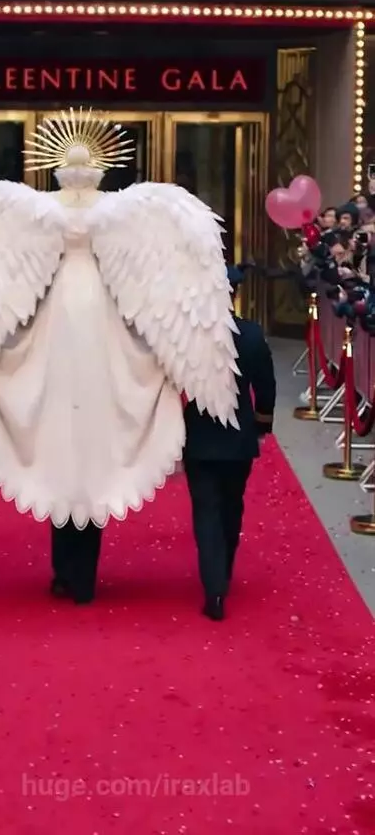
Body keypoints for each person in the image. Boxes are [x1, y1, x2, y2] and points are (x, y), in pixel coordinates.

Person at [0, 107, 239, 602]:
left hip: (57, 311)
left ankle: (69, 570)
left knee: (59, 432)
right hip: (99, 310)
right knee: (90, 436)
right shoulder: (143, 211)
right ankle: (79, 571)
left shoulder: (15, 210)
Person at [183, 266, 276, 621]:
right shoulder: (251, 334)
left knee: (205, 510)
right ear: (234, 294)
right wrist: (262, 426)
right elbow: (265, 388)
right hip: (239, 434)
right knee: (231, 506)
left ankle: (214, 587)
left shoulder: (192, 336)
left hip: (200, 434)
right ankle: (224, 572)